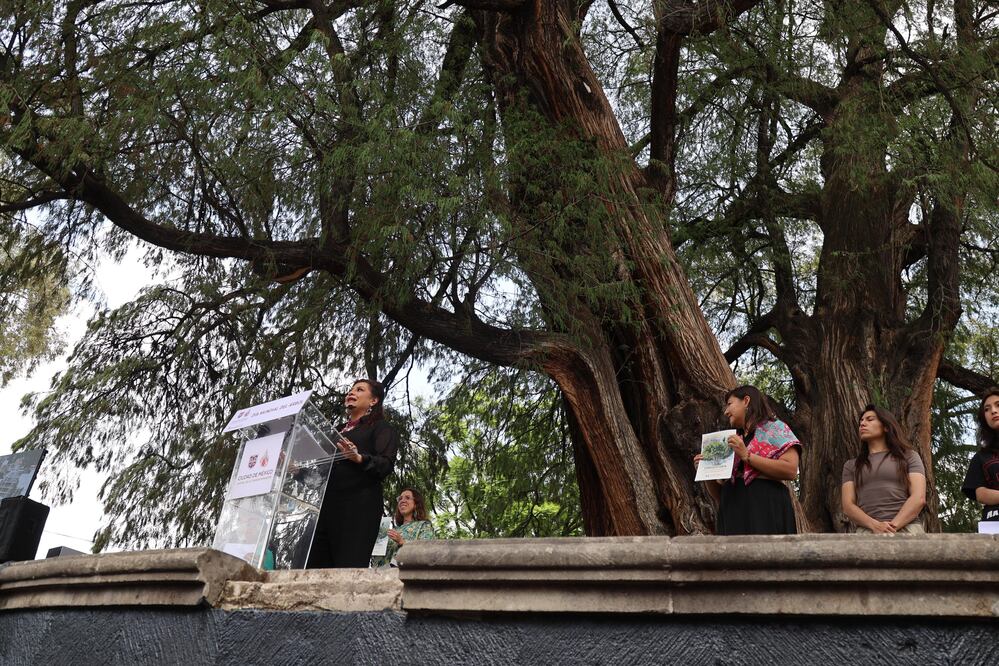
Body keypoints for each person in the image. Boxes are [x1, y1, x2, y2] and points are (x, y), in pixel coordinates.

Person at [307, 379, 399, 568]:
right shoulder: (336, 432)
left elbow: (386, 464)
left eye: (359, 389)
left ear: (373, 400)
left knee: (347, 566)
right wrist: (297, 471)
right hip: (326, 508)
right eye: (350, 389)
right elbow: (322, 473)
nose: (351, 392)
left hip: (358, 509)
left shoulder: (381, 427)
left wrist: (359, 458)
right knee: (314, 566)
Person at [694, 385, 801, 535]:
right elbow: (719, 495)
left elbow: (790, 470)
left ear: (746, 401)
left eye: (729, 404)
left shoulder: (776, 428)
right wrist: (706, 471)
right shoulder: (729, 441)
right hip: (732, 514)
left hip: (766, 510)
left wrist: (747, 455)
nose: (726, 411)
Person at [841, 405, 926, 534]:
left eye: (870, 419)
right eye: (861, 421)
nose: (862, 424)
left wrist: (892, 527)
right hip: (868, 531)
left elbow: (918, 497)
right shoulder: (851, 465)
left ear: (886, 426)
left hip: (908, 529)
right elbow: (848, 506)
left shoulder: (909, 456)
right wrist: (875, 526)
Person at [961, 387, 999, 523]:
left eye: (998, 405)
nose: (993, 411)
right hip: (994, 523)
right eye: (987, 409)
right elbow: (981, 494)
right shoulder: (981, 457)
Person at [371, 487, 434, 568]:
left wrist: (402, 542)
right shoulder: (392, 530)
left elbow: (427, 551)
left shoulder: (424, 525)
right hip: (382, 573)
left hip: (407, 571)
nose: (402, 501)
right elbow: (377, 559)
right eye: (400, 499)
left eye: (407, 498)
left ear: (416, 504)